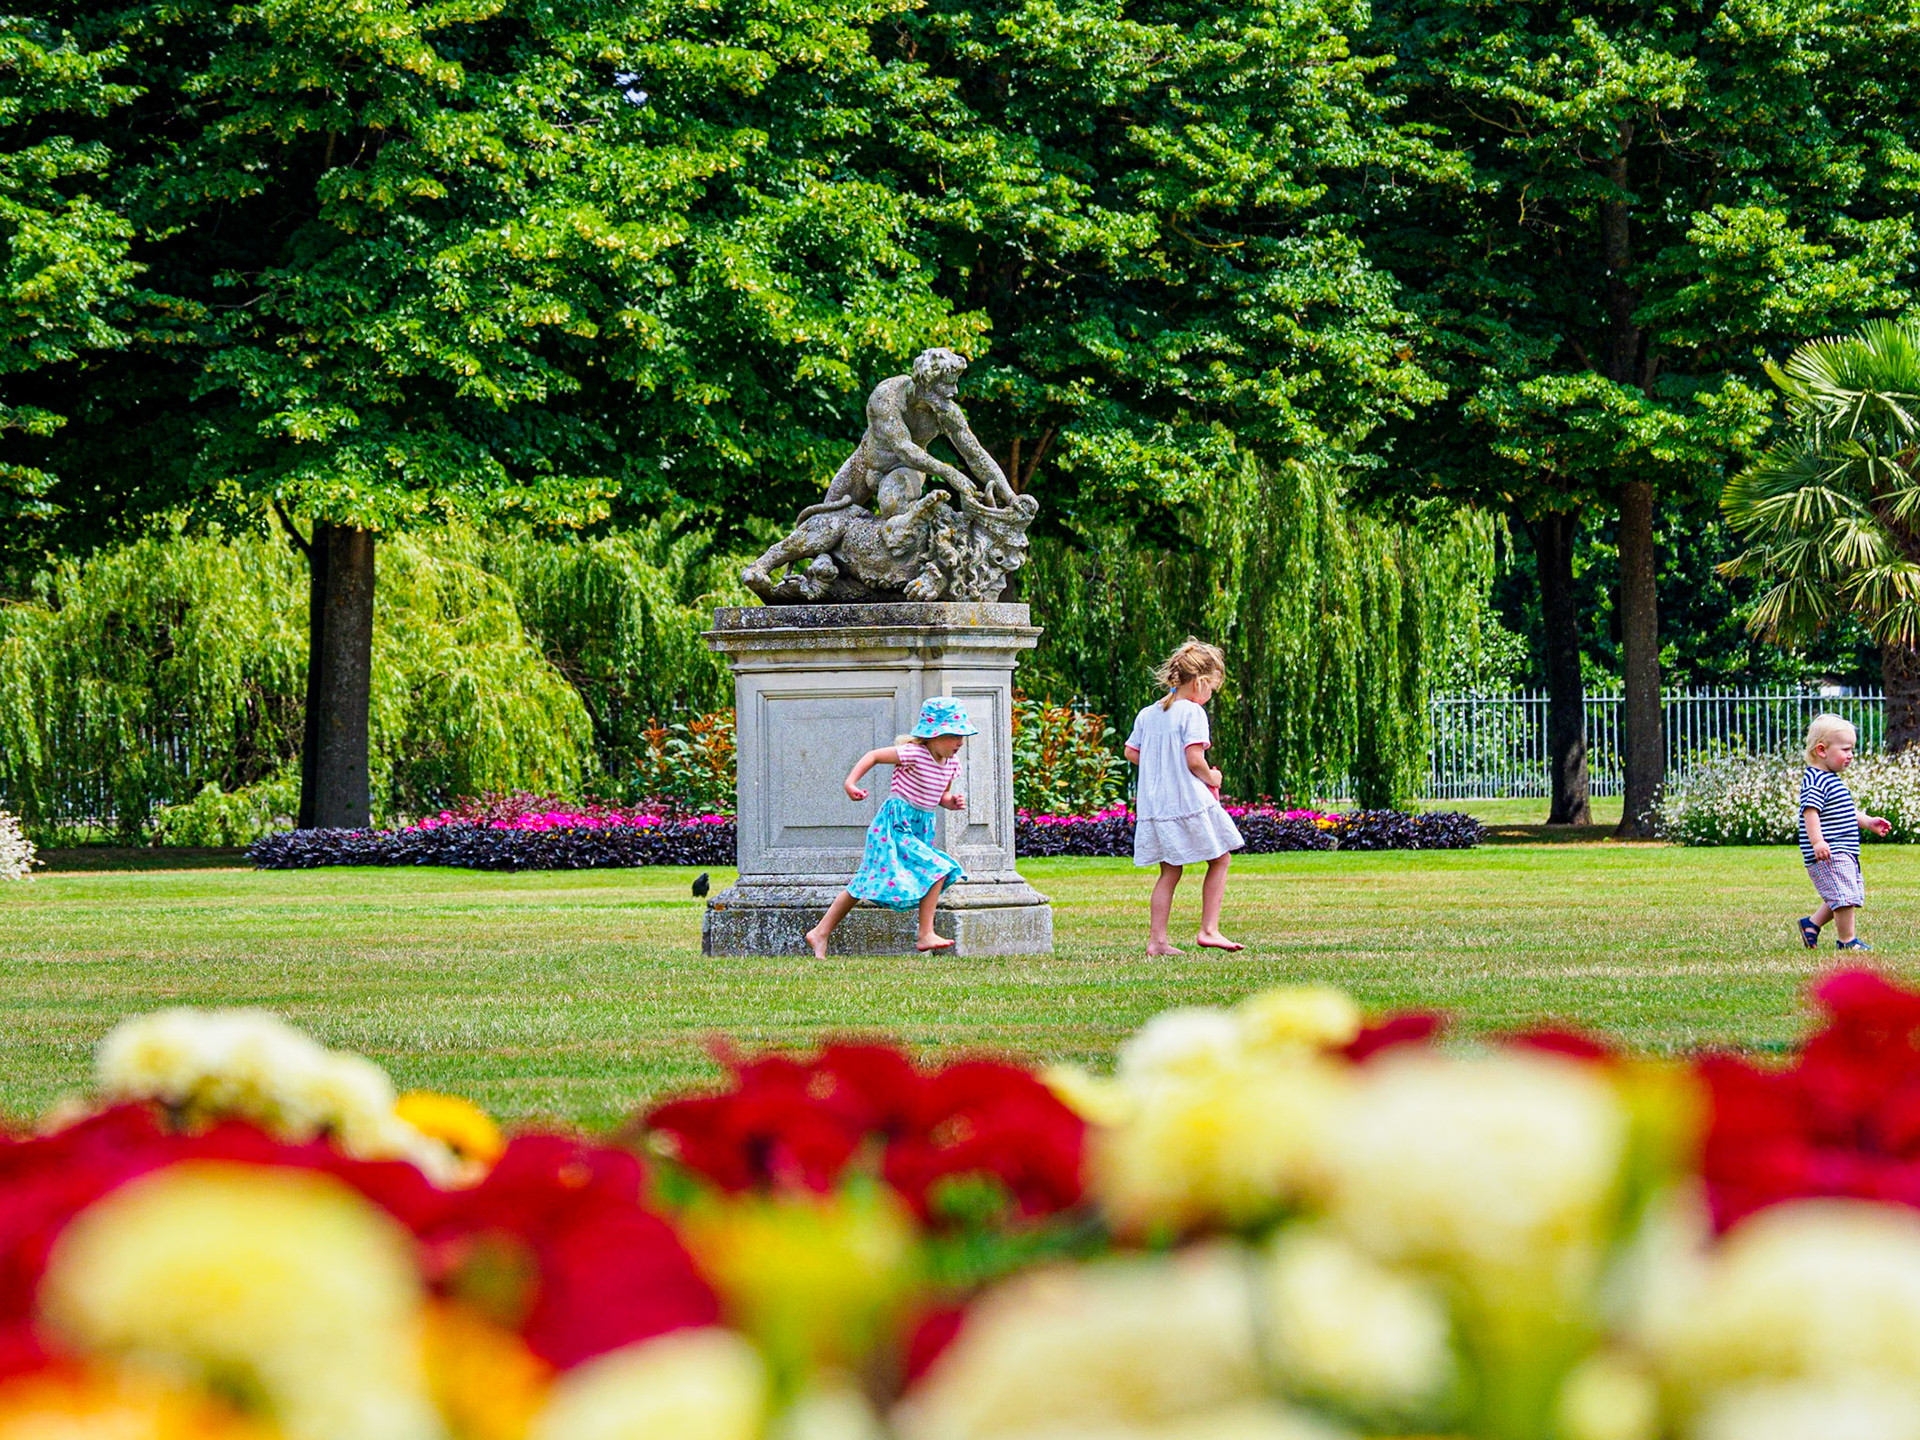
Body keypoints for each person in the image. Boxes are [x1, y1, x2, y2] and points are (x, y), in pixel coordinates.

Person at [805, 697, 976, 958]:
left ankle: (819, 932)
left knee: (864, 883)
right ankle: (925, 934)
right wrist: (850, 783)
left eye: (962, 735)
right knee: (939, 869)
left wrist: (950, 802)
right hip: (894, 825)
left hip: (919, 827)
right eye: (954, 735)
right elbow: (873, 756)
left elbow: (938, 795)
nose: (960, 742)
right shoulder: (914, 753)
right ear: (932, 735)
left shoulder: (951, 764)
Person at [1124, 639, 1245, 956]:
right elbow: (1194, 760)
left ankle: (1157, 941)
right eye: (1212, 689)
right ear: (1202, 682)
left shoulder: (1148, 714)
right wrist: (1213, 777)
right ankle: (1209, 929)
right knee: (1221, 858)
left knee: (1170, 870)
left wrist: (1160, 763)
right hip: (1189, 801)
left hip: (1157, 805)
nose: (1210, 696)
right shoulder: (1192, 712)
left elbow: (1131, 751)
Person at [1797, 712, 1891, 952]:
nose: (1850, 755)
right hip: (1830, 850)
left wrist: (1869, 822)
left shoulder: (1831, 779)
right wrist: (1817, 842)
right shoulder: (1816, 780)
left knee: (1845, 892)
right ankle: (1847, 941)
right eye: (1846, 749)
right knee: (1844, 895)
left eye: (1852, 750)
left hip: (1844, 849)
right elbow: (1810, 812)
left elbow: (1846, 811)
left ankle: (1812, 924)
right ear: (1821, 750)